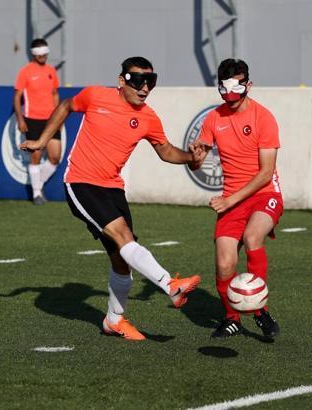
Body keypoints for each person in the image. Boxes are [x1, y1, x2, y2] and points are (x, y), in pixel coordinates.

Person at [20, 56, 206, 341]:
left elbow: (167, 151)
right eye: (138, 80)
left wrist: (190, 158)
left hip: (113, 188)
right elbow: (66, 105)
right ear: (121, 80)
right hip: (81, 182)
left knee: (121, 259)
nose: (145, 87)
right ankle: (170, 284)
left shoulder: (148, 117)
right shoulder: (96, 96)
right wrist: (42, 141)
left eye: (151, 81)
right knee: (124, 237)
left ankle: (113, 321)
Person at [192, 58, 283, 340]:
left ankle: (260, 312)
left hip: (265, 194)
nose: (230, 97)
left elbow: (266, 173)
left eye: (236, 89)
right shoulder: (213, 118)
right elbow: (198, 162)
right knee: (224, 264)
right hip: (232, 199)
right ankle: (231, 318)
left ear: (248, 85)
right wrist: (195, 158)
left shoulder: (263, 117)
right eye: (224, 90)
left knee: (253, 237)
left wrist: (230, 200)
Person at [13, 38, 61, 205]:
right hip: (32, 119)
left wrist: (58, 116)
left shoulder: (51, 71)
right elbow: (17, 97)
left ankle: (37, 184)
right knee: (36, 157)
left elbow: (55, 94)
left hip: (51, 120)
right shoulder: (25, 72)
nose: (43, 56)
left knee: (55, 157)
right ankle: (36, 194)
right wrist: (20, 120)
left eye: (45, 53)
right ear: (34, 54)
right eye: (40, 53)